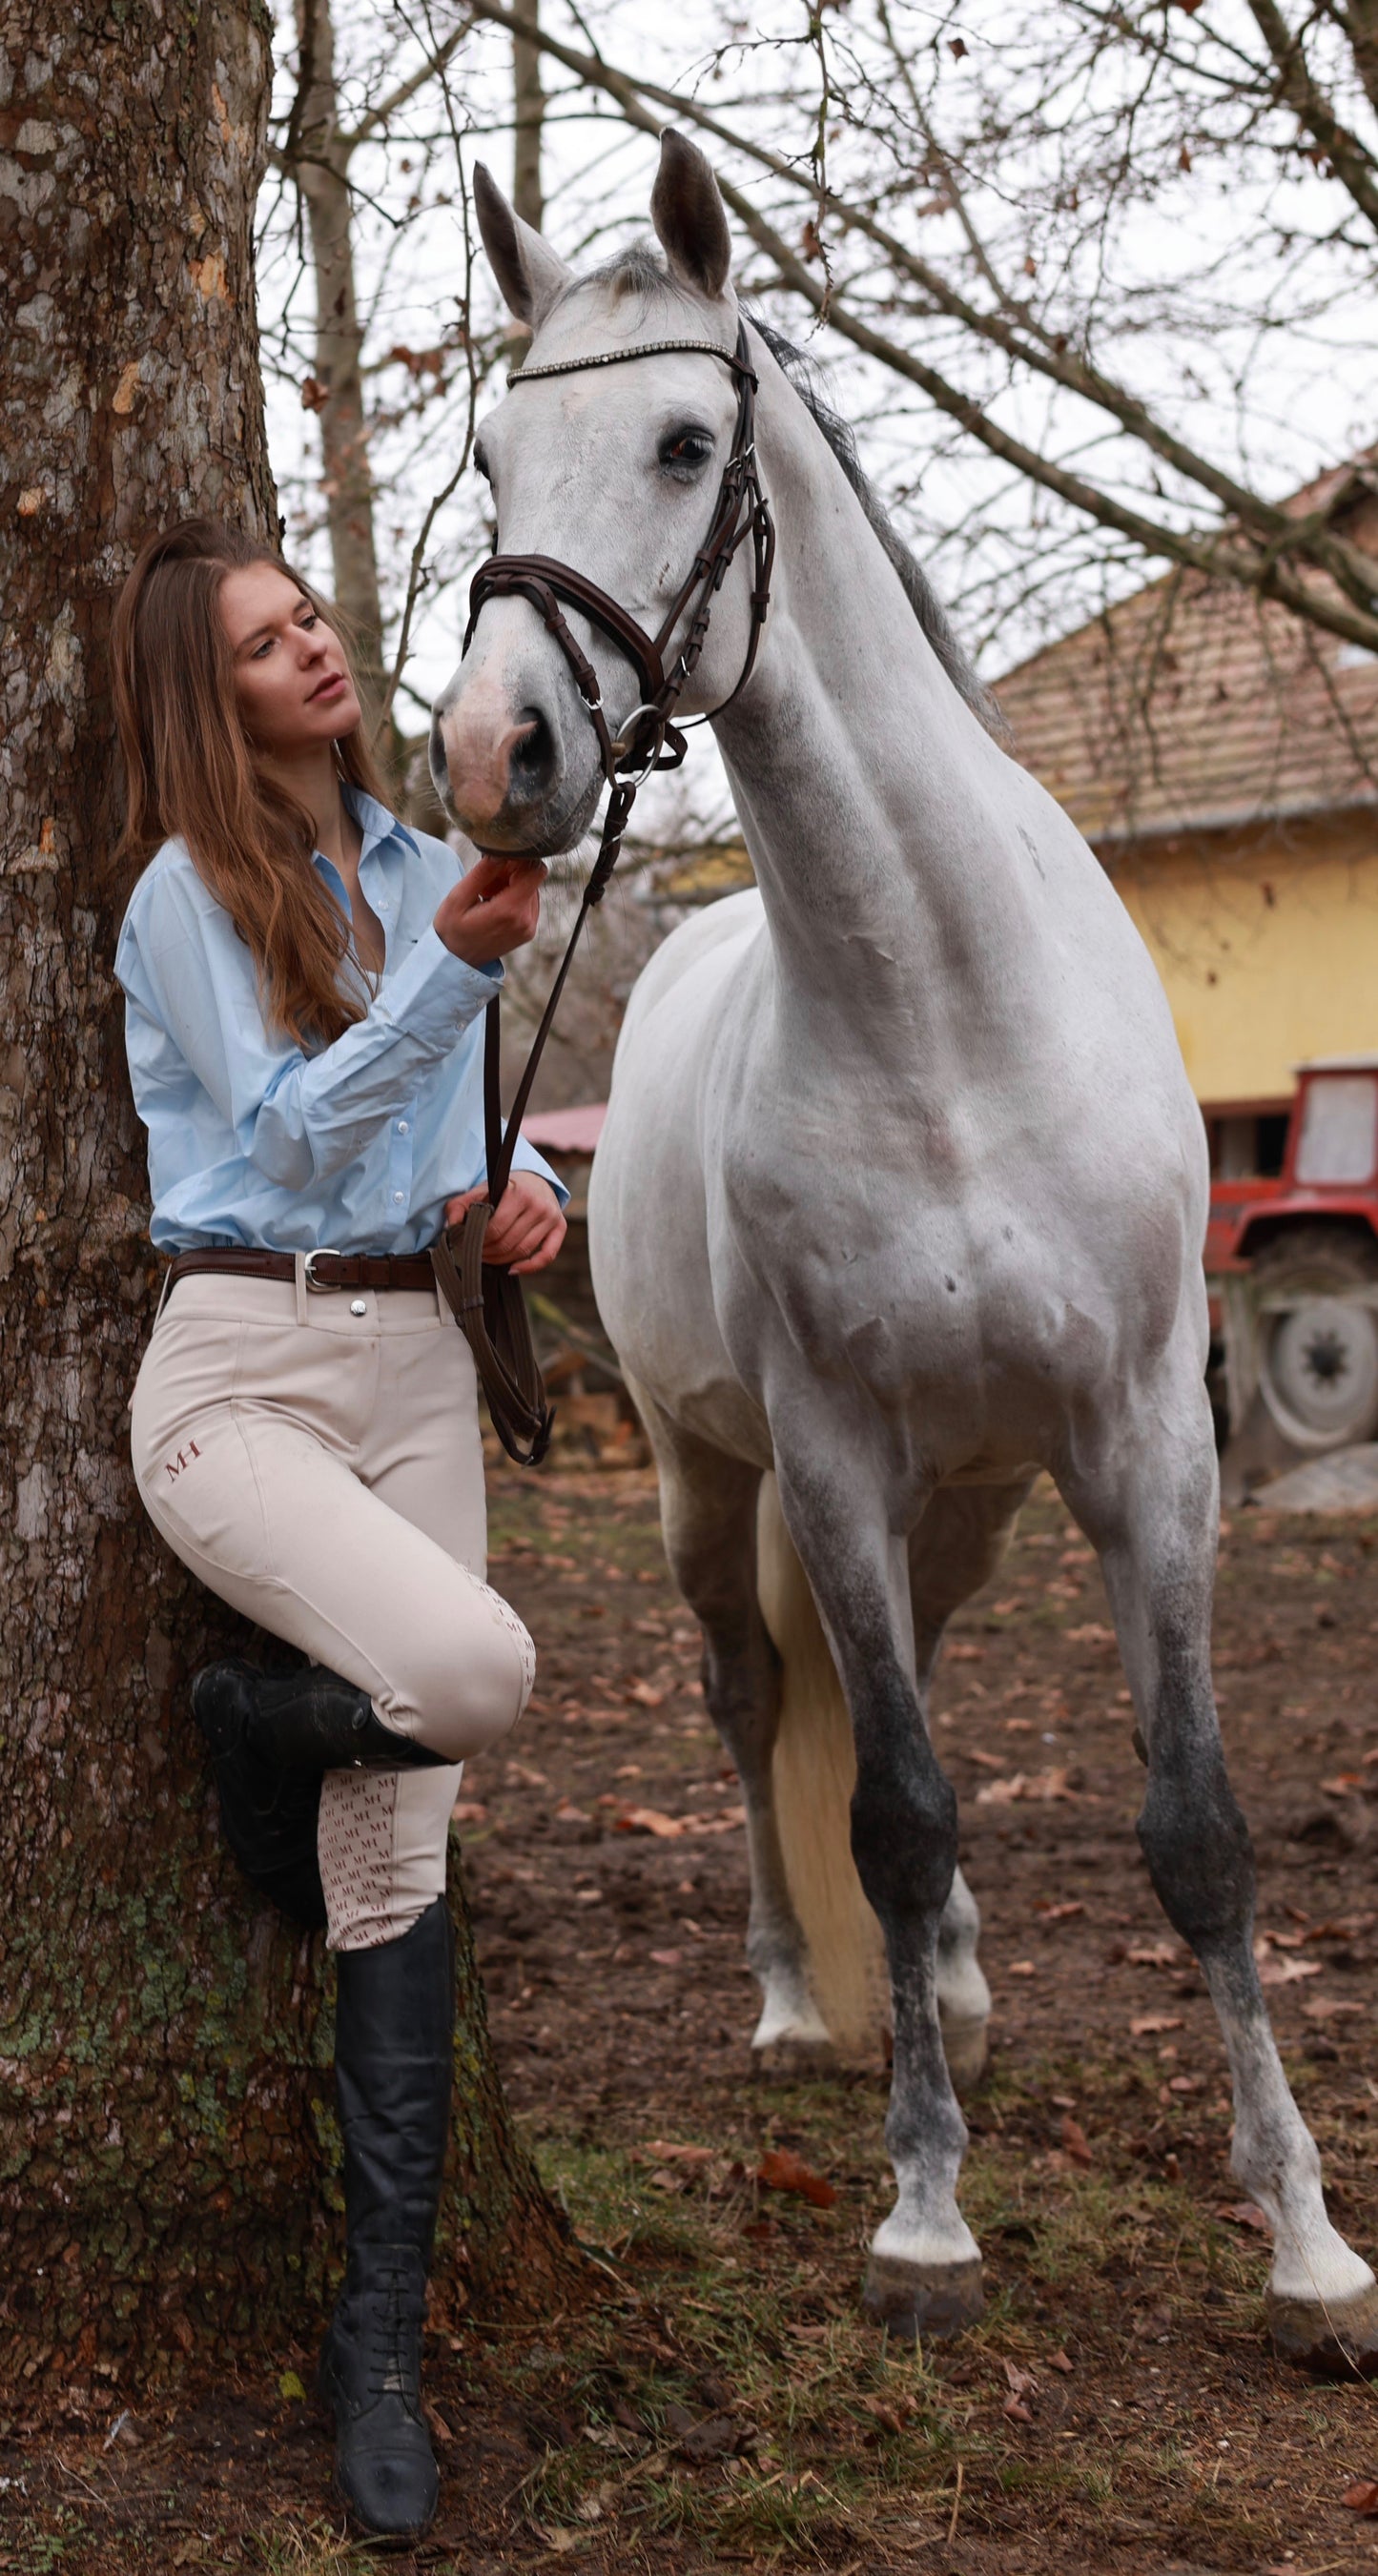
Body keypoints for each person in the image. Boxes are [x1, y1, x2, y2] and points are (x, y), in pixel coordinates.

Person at [111, 518, 567, 2543]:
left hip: (415, 1358)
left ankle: (373, 2347)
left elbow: (427, 1128)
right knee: (470, 1679)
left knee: (397, 1862)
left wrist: (525, 1177)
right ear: (204, 702)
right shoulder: (178, 899)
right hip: (240, 1375)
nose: (314, 646)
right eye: (263, 640)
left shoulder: (413, 865)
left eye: (311, 615)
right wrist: (453, 976)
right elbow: (291, 1130)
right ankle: (252, 1723)